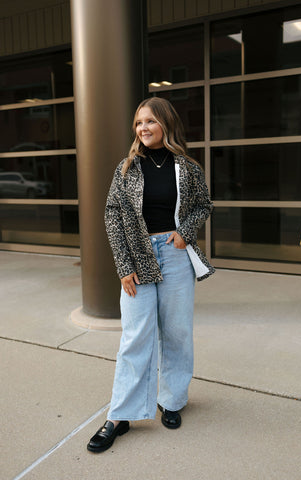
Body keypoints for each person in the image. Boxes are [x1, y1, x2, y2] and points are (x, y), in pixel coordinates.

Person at [87, 97, 215, 453]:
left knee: (176, 331)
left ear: (166, 125)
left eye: (150, 121)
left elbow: (204, 205)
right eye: (139, 122)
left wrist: (185, 232)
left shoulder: (188, 168)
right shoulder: (126, 168)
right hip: (138, 256)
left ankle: (172, 400)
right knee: (135, 335)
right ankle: (120, 415)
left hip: (174, 256)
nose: (143, 128)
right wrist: (123, 267)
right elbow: (112, 216)